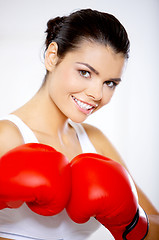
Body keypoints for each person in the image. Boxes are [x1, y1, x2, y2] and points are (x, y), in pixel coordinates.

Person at [0, 8, 158, 240]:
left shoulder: (94, 141)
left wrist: (132, 222)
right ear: (52, 57)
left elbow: (154, 224)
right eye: (85, 72)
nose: (97, 93)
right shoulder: (7, 136)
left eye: (110, 83)